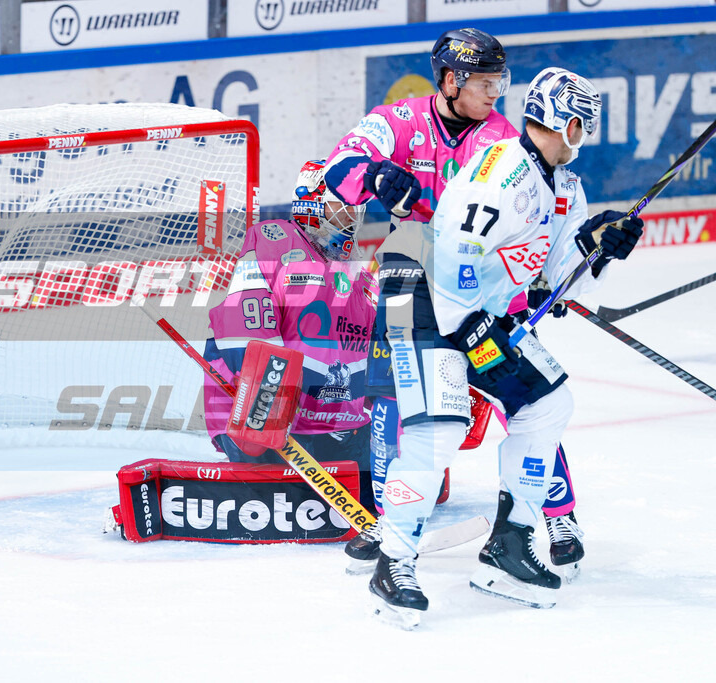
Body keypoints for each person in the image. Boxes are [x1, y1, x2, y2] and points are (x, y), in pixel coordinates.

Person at [363, 67, 643, 626]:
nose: (586, 135)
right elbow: (456, 249)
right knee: (438, 427)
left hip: (473, 312)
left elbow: (564, 281)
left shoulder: (566, 186)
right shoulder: (503, 171)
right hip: (416, 294)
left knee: (547, 402)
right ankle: (392, 562)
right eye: (583, 123)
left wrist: (601, 246)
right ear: (565, 122)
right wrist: (470, 328)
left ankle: (509, 545)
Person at [323, 28, 583, 576]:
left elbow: (537, 217)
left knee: (529, 397)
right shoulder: (399, 121)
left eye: (501, 82)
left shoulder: (503, 138)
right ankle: (380, 520)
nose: (496, 93)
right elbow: (335, 170)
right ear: (450, 79)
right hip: (406, 277)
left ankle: (555, 514)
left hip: (478, 284)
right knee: (391, 399)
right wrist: (372, 173)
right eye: (486, 82)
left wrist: (547, 276)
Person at [203, 159, 378, 513]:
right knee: (295, 502)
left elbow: (372, 349)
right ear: (311, 200)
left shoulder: (359, 270)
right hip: (264, 418)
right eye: (341, 202)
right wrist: (273, 402)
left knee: (398, 484)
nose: (352, 213)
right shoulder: (275, 241)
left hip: (335, 424)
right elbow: (245, 329)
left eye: (357, 205)